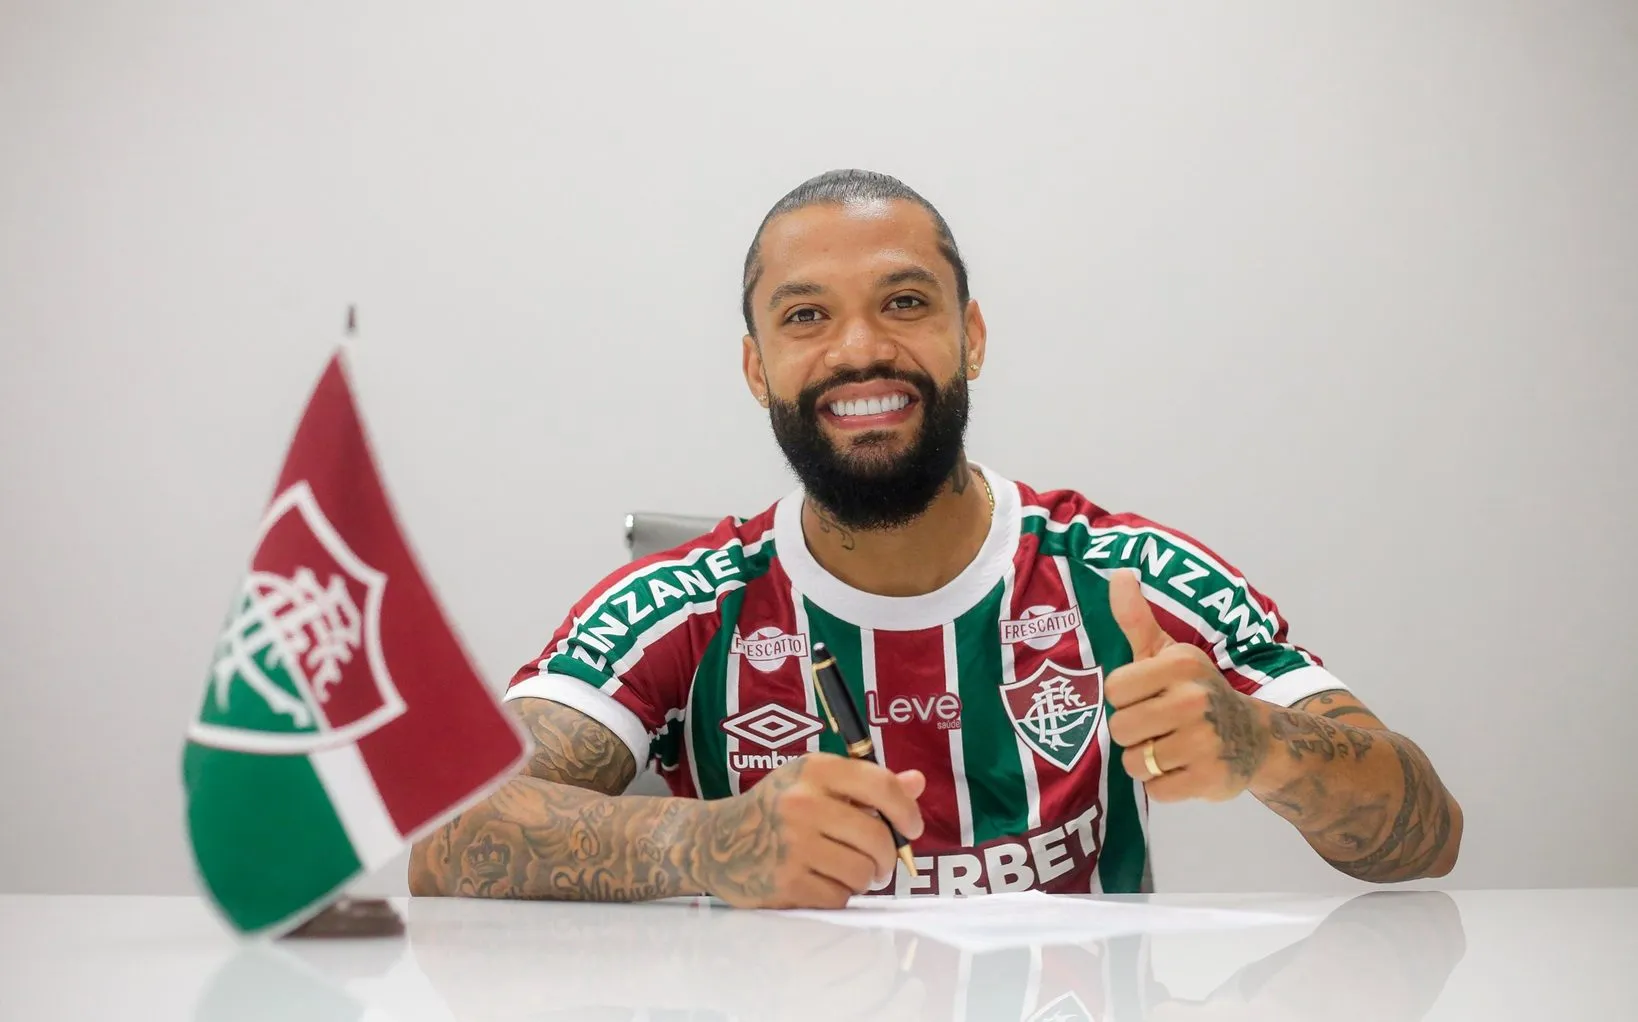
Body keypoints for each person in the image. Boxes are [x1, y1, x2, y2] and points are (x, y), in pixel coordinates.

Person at [408, 169, 1463, 906]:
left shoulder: (1122, 575)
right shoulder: (681, 604)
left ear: (972, 335)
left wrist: (1263, 743)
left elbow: (1427, 833)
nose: (859, 349)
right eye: (806, 316)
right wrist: (707, 842)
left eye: (905, 301)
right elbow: (444, 828)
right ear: (757, 367)